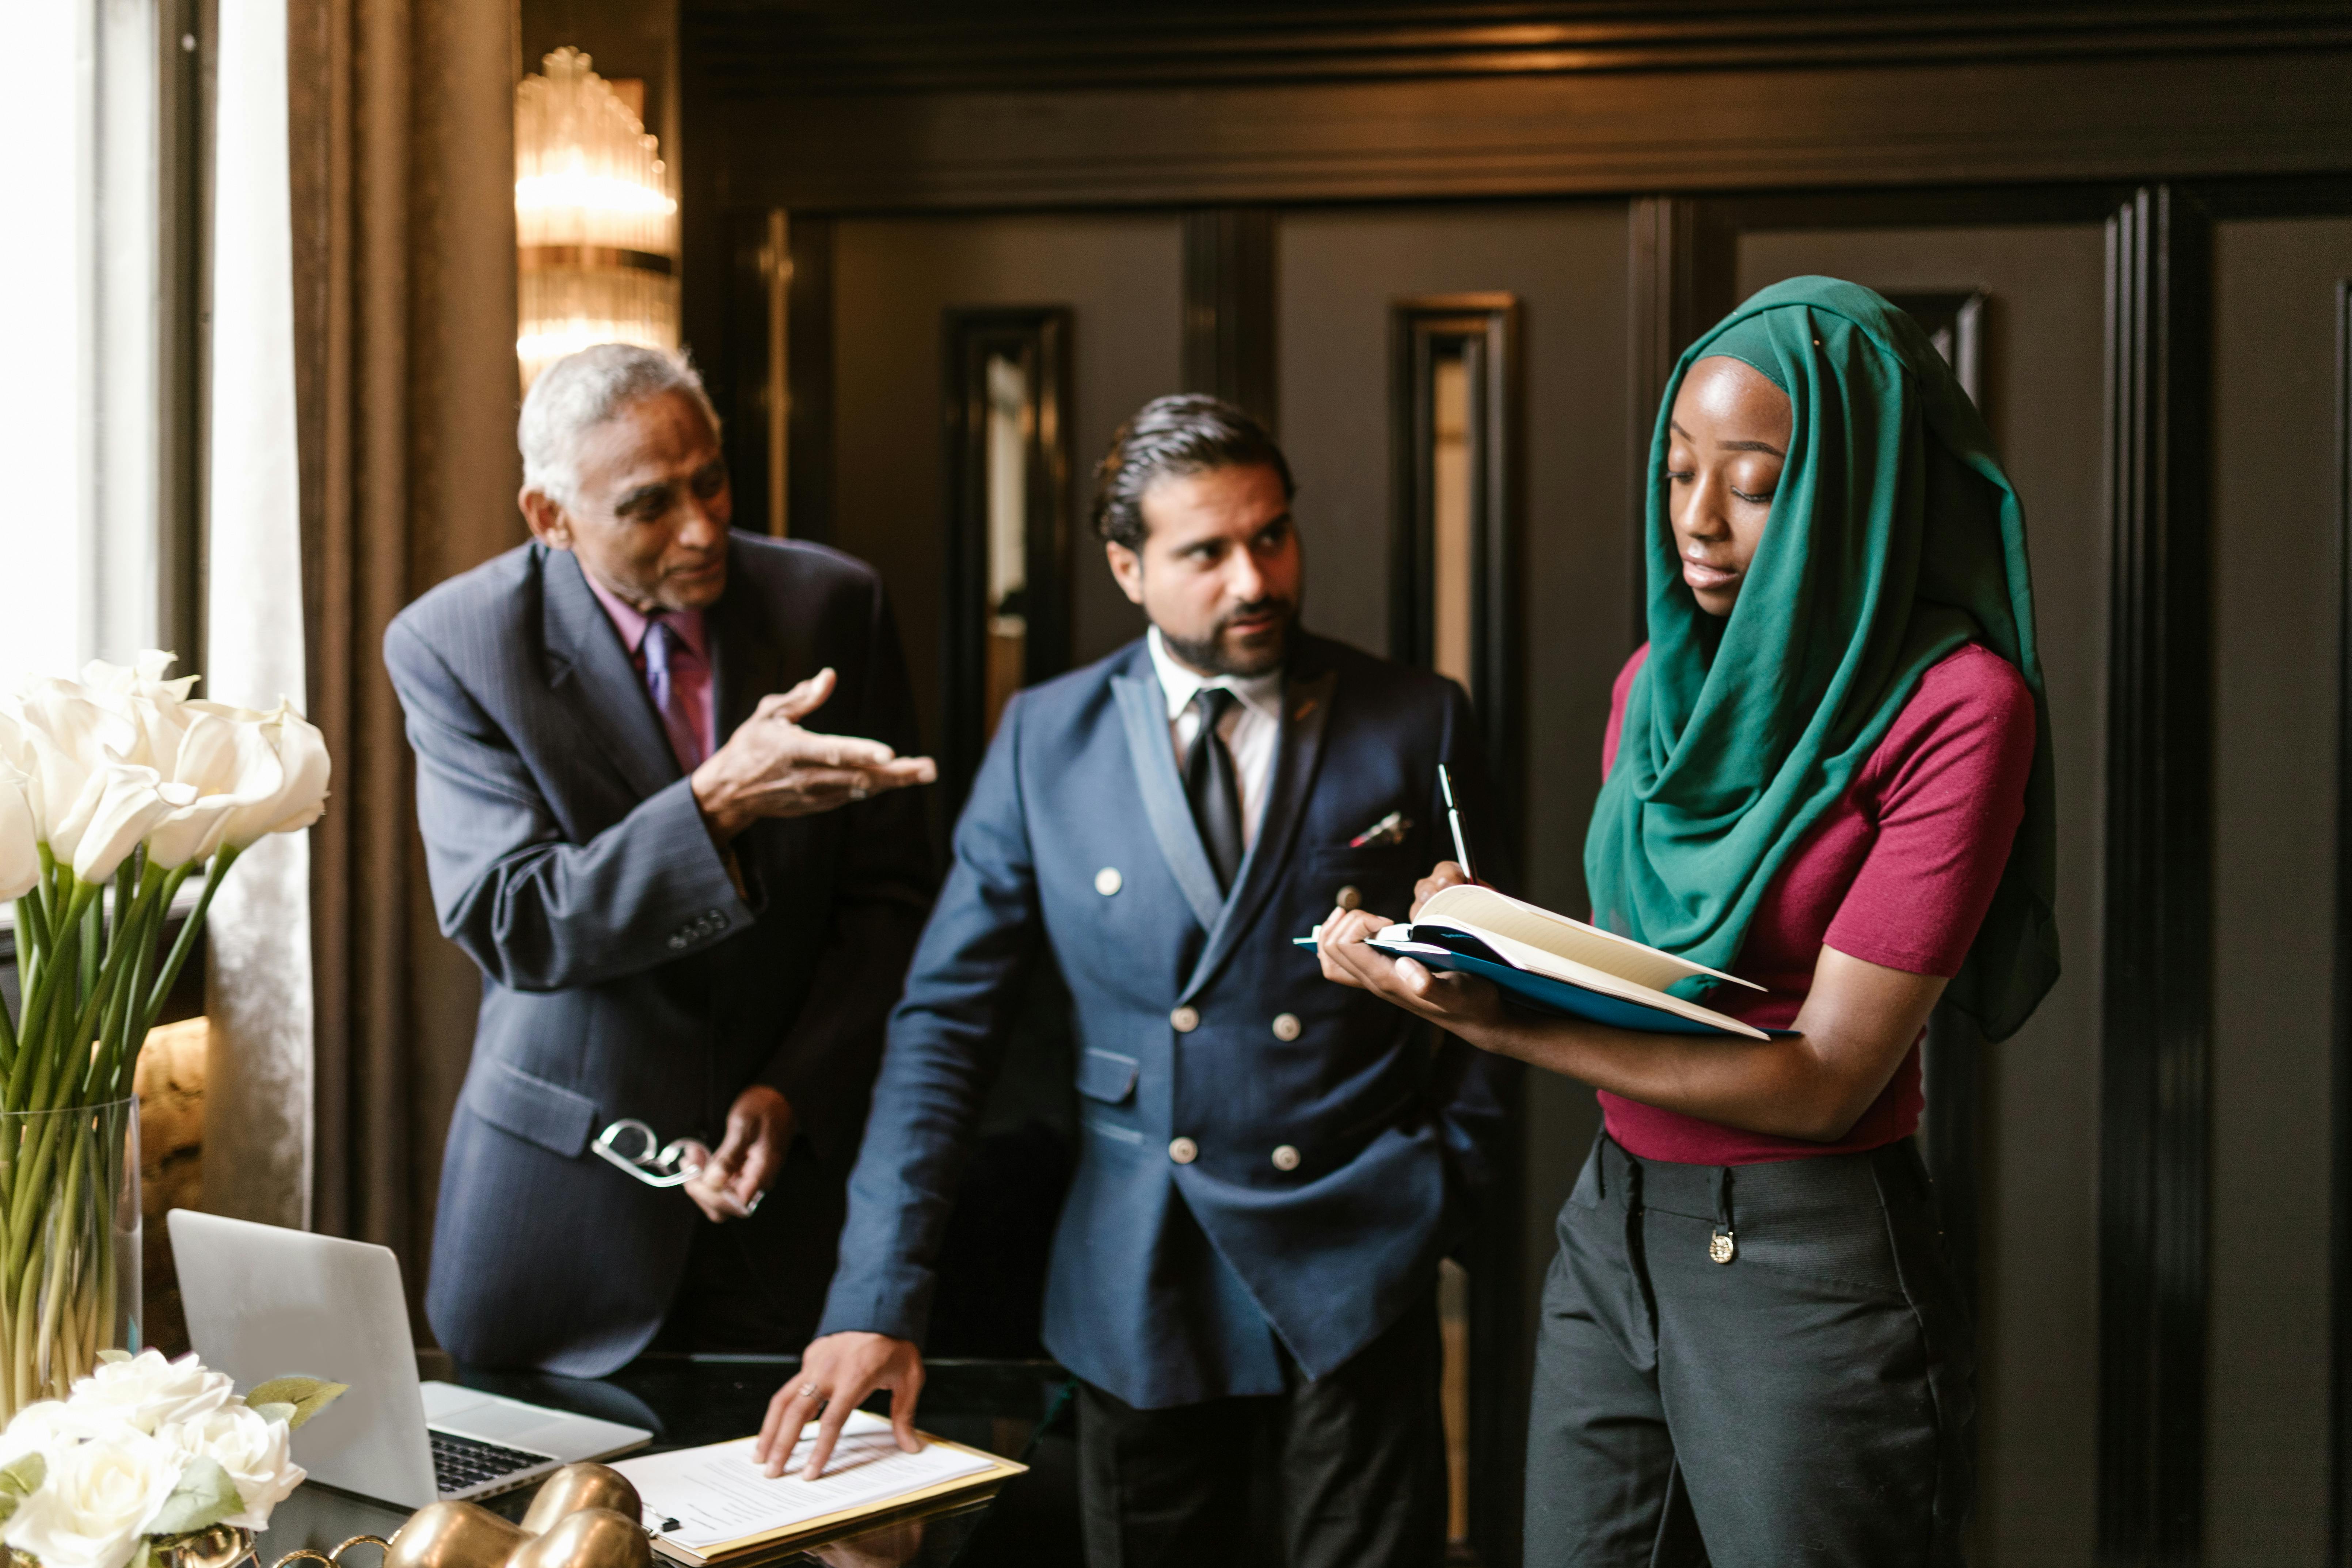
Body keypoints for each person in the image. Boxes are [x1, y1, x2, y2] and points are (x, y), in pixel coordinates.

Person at [1318, 277, 2058, 1566]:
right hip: (1613, 1223)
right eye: (1677, 474)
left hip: (1804, 1249)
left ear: (1854, 488)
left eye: (1758, 482)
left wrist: (1507, 1024)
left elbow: (1828, 1079)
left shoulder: (1960, 706)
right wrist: (1479, 936)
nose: (1698, 524)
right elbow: (1657, 974)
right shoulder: (1651, 687)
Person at [756, 395, 1517, 1568]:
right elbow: (943, 1029)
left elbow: (1498, 985)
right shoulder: (1043, 739)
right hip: (1134, 1276)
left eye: (1272, 536)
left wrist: (1443, 1187)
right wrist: (876, 1292)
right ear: (1128, 566)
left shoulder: (1416, 717)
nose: (1255, 577)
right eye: (1206, 552)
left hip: (1359, 1261)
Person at [384, 345, 937, 1376]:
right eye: (649, 505)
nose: (703, 524)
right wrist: (717, 801)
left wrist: (793, 1088)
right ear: (549, 516)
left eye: (711, 478)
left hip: (791, 1211)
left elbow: (890, 903)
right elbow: (517, 919)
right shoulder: (452, 643)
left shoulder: (835, 605)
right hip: (558, 1210)